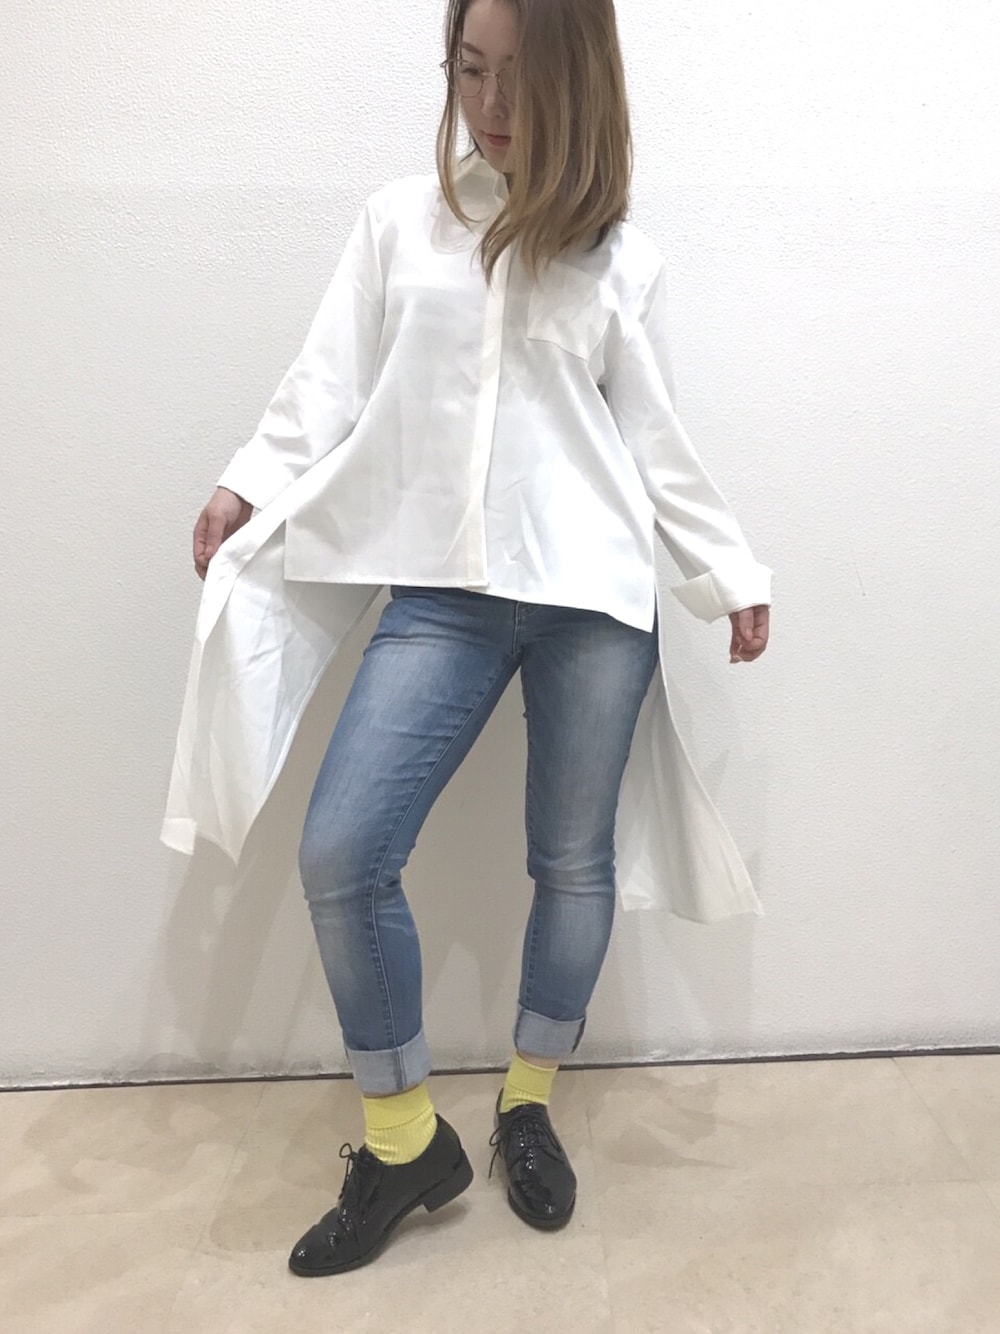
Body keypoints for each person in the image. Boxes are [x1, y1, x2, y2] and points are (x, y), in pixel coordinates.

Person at [182, 0, 771, 1279]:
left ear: (580, 83)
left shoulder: (621, 262)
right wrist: (243, 481)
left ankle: (526, 1100)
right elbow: (325, 383)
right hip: (443, 594)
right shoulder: (400, 224)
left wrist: (727, 573)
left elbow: (654, 441)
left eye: (521, 75)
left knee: (570, 861)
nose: (491, 104)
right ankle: (404, 1139)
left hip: (593, 595)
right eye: (469, 69)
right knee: (343, 850)